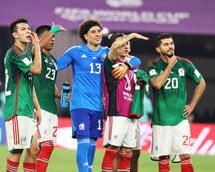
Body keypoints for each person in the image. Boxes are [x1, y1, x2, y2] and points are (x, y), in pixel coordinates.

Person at [56, 20, 140, 172]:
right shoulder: (75, 51)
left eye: (99, 31)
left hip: (99, 105)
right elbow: (54, 67)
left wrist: (127, 65)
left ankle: (88, 169)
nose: (97, 34)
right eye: (93, 32)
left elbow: (135, 59)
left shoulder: (107, 52)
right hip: (80, 103)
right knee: (83, 141)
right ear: (85, 36)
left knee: (93, 142)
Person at [146, 33, 206, 172]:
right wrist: (170, 66)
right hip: (161, 121)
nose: (170, 46)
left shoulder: (184, 63)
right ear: (158, 49)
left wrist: (192, 105)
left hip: (180, 119)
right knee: (163, 158)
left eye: (171, 43)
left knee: (185, 156)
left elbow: (201, 82)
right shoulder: (152, 65)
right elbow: (157, 84)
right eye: (165, 44)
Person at [100, 33, 148, 172]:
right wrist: (131, 35)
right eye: (123, 44)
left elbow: (136, 62)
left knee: (127, 152)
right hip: (117, 113)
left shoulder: (132, 67)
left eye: (128, 44)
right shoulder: (110, 63)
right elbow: (113, 47)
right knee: (112, 150)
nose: (127, 46)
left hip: (131, 114)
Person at [4, 18, 42, 172]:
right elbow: (37, 70)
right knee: (17, 151)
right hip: (17, 108)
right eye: (23, 29)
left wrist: (37, 108)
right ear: (15, 34)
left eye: (28, 28)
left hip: (27, 108)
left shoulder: (25, 54)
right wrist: (37, 45)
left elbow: (30, 84)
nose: (28, 31)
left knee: (34, 150)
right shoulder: (14, 52)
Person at [33, 24, 64, 172]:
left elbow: (51, 85)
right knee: (42, 147)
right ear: (40, 39)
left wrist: (62, 95)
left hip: (52, 108)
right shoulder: (34, 55)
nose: (52, 39)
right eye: (50, 36)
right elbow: (37, 47)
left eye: (54, 37)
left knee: (46, 147)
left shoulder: (53, 60)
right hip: (39, 107)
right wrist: (54, 29)